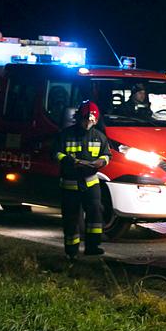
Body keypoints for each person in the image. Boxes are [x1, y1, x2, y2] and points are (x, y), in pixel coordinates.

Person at [53, 100, 111, 259]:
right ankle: (71, 251)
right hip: (70, 184)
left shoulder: (100, 137)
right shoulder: (66, 134)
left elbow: (107, 155)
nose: (88, 123)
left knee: (95, 214)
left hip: (91, 182)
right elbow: (56, 153)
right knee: (71, 218)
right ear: (79, 118)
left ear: (96, 120)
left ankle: (93, 246)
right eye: (86, 119)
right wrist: (71, 161)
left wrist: (102, 161)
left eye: (92, 120)